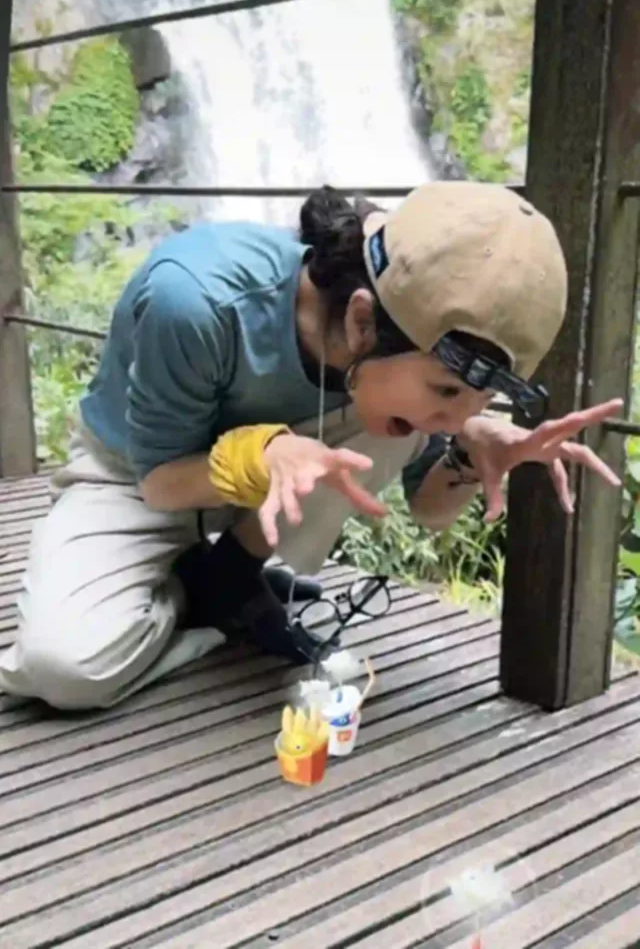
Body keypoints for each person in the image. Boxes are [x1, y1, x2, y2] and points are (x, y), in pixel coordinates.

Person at [0, 180, 622, 711]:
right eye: (446, 391)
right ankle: (201, 595)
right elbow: (159, 482)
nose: (454, 416)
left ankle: (227, 576)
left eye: (475, 401)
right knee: (64, 670)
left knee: (385, 421)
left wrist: (470, 454)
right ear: (360, 320)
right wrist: (262, 454)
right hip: (135, 475)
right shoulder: (195, 299)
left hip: (274, 480)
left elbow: (430, 511)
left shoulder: (402, 345)